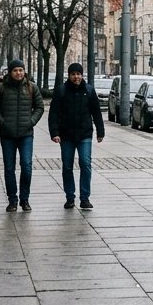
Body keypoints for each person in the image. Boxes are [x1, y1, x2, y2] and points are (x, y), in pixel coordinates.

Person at [0, 59, 44, 212]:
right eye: (15, 70)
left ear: (24, 71)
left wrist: (31, 121)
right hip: (7, 134)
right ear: (10, 72)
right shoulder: (1, 87)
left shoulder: (31, 87)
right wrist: (2, 122)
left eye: (21, 70)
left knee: (26, 166)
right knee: (9, 168)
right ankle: (12, 199)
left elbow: (39, 107)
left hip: (26, 134)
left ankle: (25, 199)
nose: (18, 73)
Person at [48, 63, 105, 210]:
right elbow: (53, 113)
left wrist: (100, 131)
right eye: (73, 74)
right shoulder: (61, 91)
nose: (76, 77)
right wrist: (54, 132)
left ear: (82, 75)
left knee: (85, 164)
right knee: (67, 167)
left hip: (84, 134)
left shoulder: (89, 90)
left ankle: (85, 198)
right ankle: (70, 197)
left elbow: (96, 113)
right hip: (66, 135)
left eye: (79, 74)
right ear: (69, 75)